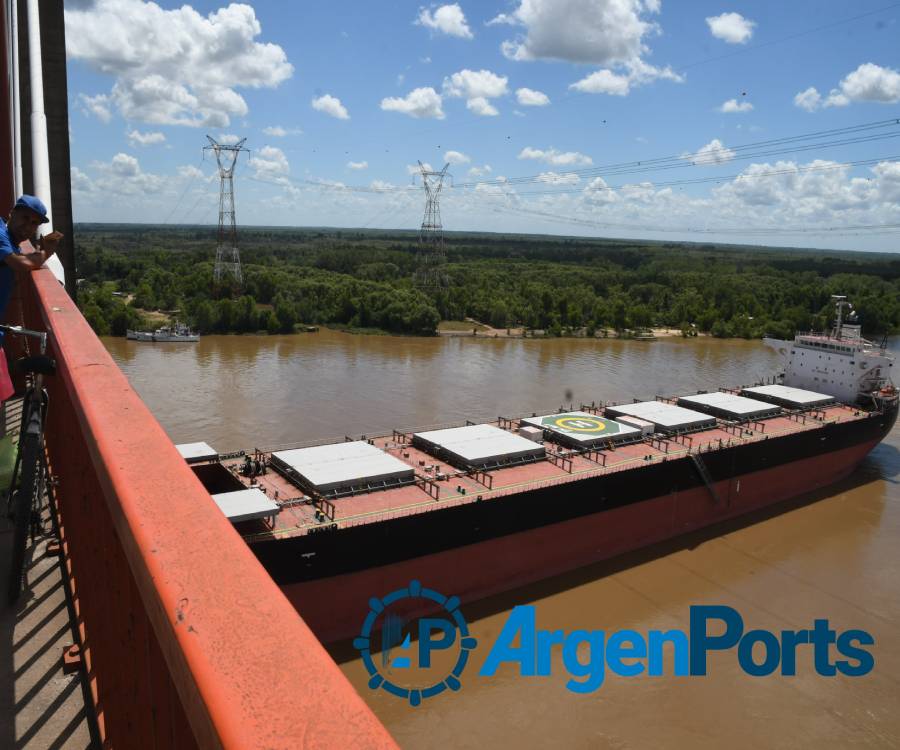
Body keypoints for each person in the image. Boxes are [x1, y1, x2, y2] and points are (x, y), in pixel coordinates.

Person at [0, 195, 62, 401]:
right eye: (24, 218)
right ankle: (20, 367)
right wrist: (45, 252)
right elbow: (21, 264)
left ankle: (18, 367)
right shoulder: (1, 234)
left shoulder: (10, 239)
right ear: (12, 213)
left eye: (34, 223)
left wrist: (39, 252)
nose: (27, 226)